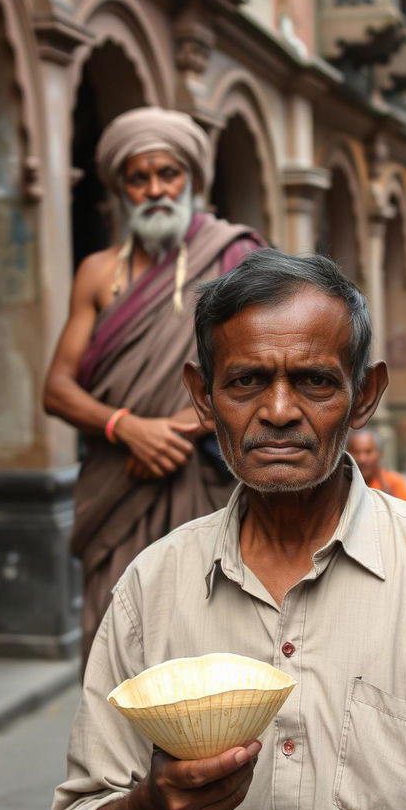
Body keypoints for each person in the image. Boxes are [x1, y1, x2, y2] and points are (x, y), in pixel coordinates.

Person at [50, 251, 406, 810]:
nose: (280, 411)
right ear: (203, 397)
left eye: (315, 381)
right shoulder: (150, 588)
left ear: (364, 395)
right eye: (246, 382)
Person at [43, 107, 264, 665]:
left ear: (191, 179)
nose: (155, 189)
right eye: (138, 178)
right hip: (116, 486)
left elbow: (263, 369)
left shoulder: (235, 258)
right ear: (121, 189)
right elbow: (57, 388)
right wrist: (128, 428)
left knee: (208, 644)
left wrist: (179, 432)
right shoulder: (98, 272)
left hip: (206, 481)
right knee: (113, 643)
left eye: (168, 174)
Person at [346, 429, 406, 501]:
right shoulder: (342, 485)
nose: (362, 459)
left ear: (380, 453)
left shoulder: (394, 482)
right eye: (356, 452)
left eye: (368, 452)